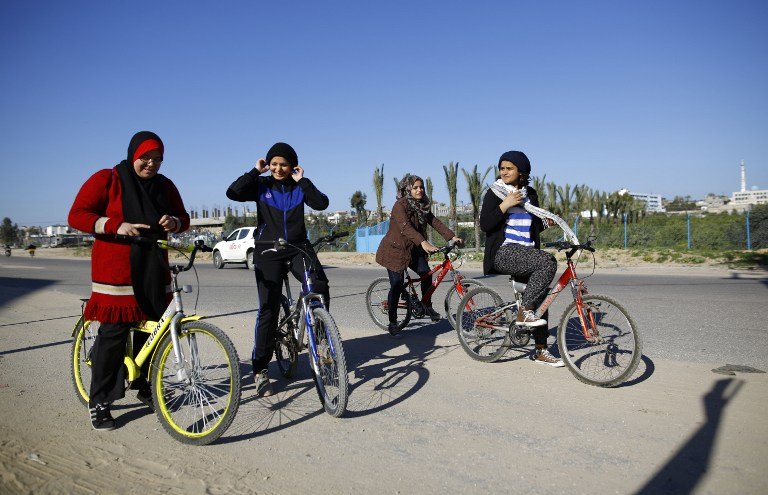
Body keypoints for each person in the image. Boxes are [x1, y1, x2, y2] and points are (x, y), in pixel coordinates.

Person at [68, 131, 190, 430]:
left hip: (153, 266)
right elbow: (77, 215)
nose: (151, 163)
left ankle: (146, 387)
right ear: (133, 154)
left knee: (152, 331)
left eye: (157, 159)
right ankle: (100, 401)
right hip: (116, 271)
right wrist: (114, 225)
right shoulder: (108, 179)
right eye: (145, 157)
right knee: (115, 333)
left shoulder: (165, 186)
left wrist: (174, 223)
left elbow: (183, 218)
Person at [226, 142, 330, 396]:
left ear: (292, 165)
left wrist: (303, 181)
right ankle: (260, 369)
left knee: (318, 286)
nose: (278, 168)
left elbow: (322, 203)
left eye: (283, 164)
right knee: (268, 309)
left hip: (298, 247)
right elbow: (233, 192)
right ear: (268, 165)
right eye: (274, 164)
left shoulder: (298, 187)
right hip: (267, 248)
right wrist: (254, 171)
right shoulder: (261, 186)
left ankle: (322, 339)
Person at [479, 150, 563, 367]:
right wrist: (505, 205)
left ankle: (540, 351)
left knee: (542, 300)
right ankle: (524, 313)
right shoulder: (495, 193)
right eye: (502, 168)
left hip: (526, 253)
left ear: (522, 172)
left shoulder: (530, 194)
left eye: (509, 168)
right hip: (504, 252)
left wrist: (545, 224)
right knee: (548, 261)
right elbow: (486, 225)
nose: (504, 172)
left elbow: (530, 228)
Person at [375, 174, 462, 335]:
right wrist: (423, 242)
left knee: (426, 273)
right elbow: (405, 227)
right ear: (408, 189)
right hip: (394, 250)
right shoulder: (399, 206)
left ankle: (426, 305)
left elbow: (435, 222)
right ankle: (393, 321)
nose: (419, 190)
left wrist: (451, 236)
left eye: (421, 187)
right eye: (415, 187)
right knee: (396, 284)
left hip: (413, 250)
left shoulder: (422, 205)